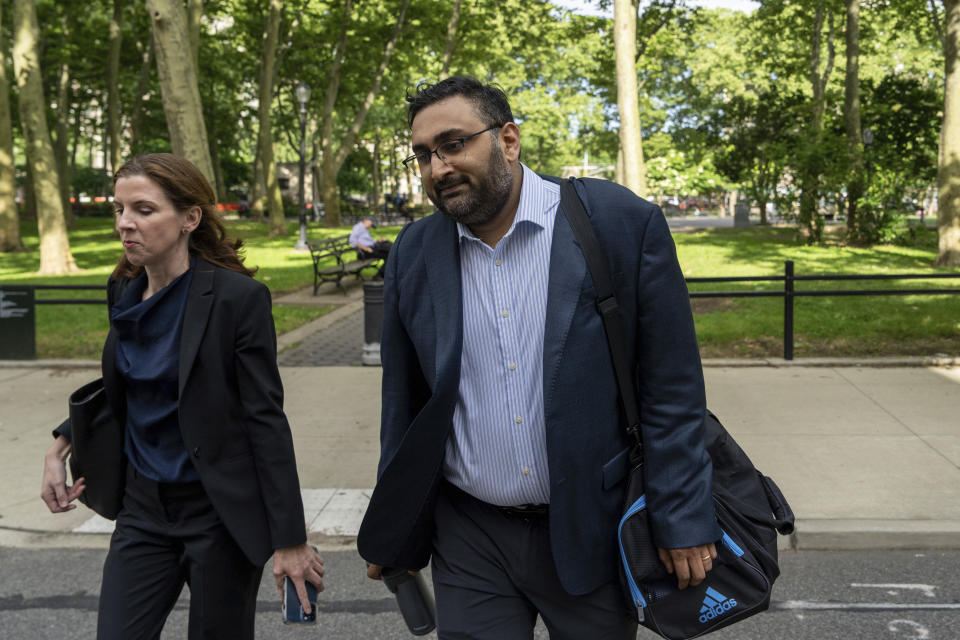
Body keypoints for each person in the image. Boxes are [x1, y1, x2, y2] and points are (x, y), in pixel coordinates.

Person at [357, 77, 720, 638]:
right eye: (424, 155)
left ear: (507, 140)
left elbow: (671, 387)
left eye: (453, 144)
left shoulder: (617, 223)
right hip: (469, 535)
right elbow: (403, 403)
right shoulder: (415, 251)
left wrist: (683, 515)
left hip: (591, 528)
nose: (437, 168)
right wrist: (395, 522)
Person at [40, 153, 324, 639]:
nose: (125, 224)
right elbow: (130, 384)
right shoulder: (124, 288)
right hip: (143, 510)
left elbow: (265, 420)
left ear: (190, 218)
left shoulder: (238, 300)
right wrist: (62, 441)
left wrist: (290, 538)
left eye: (144, 210)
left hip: (219, 514)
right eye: (119, 209)